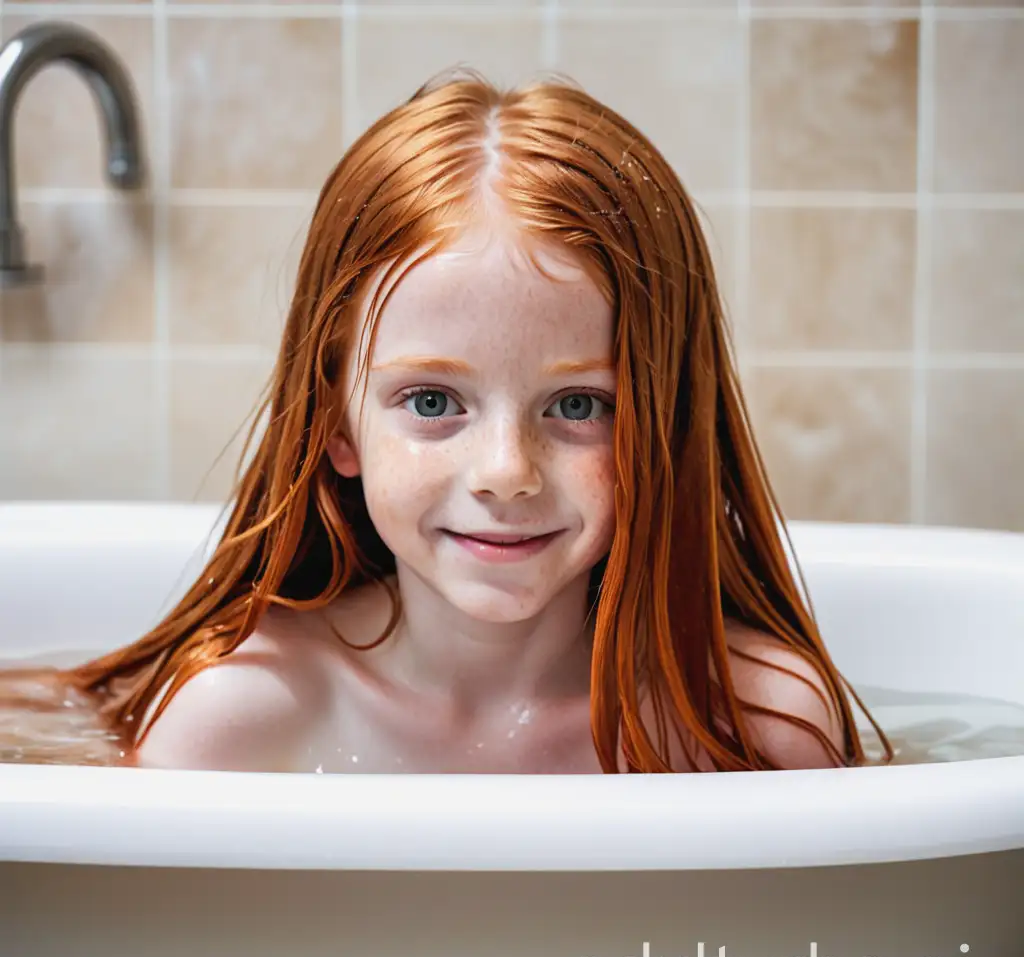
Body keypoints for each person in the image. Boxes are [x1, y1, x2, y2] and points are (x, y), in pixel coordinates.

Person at [20, 69, 892, 774]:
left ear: (666, 422)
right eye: (433, 402)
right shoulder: (238, 720)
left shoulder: (751, 732)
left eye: (580, 405)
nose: (505, 470)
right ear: (337, 424)